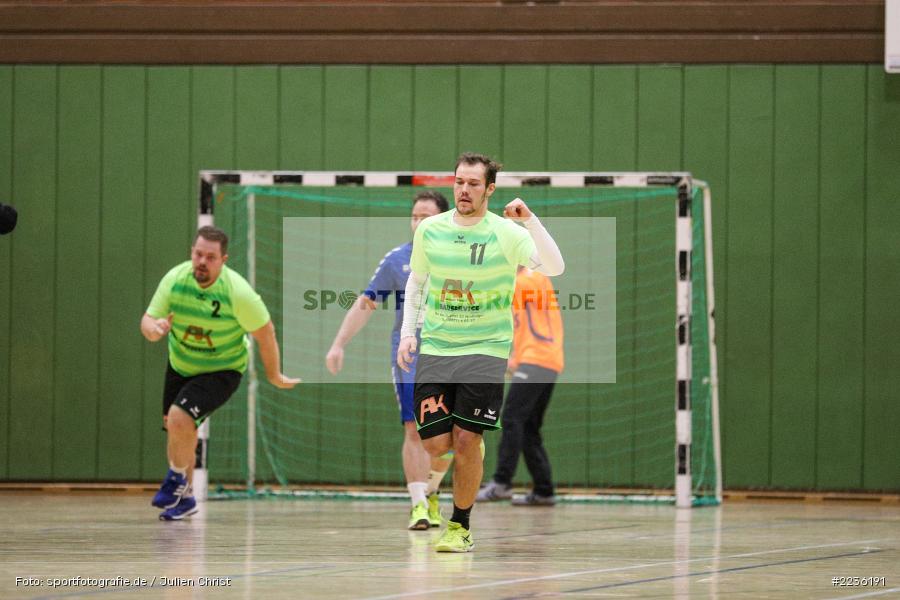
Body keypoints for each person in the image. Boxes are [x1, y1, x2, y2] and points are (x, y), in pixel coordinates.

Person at [397, 152, 564, 552]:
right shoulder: (431, 230)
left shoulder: (507, 233)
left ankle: (461, 526)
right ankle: (439, 484)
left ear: (489, 188)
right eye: (459, 182)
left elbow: (554, 267)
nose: (464, 190)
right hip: (437, 348)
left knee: (467, 438)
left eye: (473, 183)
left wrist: (530, 220)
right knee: (437, 444)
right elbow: (418, 283)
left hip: (485, 350)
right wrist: (409, 334)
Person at [141, 226, 300, 521]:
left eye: (210, 257)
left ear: (223, 260)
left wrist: (274, 375)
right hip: (181, 363)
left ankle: (175, 479)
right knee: (177, 427)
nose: (202, 261)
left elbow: (266, 334)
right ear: (192, 253)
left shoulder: (238, 293)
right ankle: (185, 497)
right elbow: (148, 320)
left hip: (222, 368)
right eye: (198, 254)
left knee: (180, 417)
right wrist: (154, 330)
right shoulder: (175, 281)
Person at [325, 191, 455, 530]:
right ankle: (418, 506)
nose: (418, 222)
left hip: (451, 353)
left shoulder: (459, 257)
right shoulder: (398, 260)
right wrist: (339, 343)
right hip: (409, 356)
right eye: (414, 216)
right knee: (414, 429)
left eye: (425, 216)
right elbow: (366, 303)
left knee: (450, 436)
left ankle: (433, 490)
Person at [476, 266, 564, 506]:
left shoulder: (531, 279)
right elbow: (524, 325)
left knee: (512, 418)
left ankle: (502, 482)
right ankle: (544, 490)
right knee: (528, 427)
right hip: (543, 360)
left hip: (538, 359)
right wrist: (513, 360)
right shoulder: (521, 285)